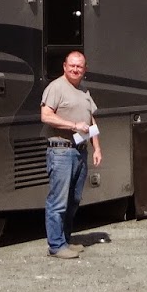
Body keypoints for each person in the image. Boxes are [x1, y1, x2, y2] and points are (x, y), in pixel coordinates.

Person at [39, 50, 102, 259]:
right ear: (64, 66)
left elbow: (91, 120)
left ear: (85, 69)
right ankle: (56, 246)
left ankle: (65, 240)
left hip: (80, 151)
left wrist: (97, 148)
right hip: (61, 151)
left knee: (74, 200)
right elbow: (46, 116)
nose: (76, 69)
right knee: (58, 201)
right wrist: (73, 125)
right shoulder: (56, 87)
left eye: (80, 66)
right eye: (72, 65)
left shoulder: (84, 90)